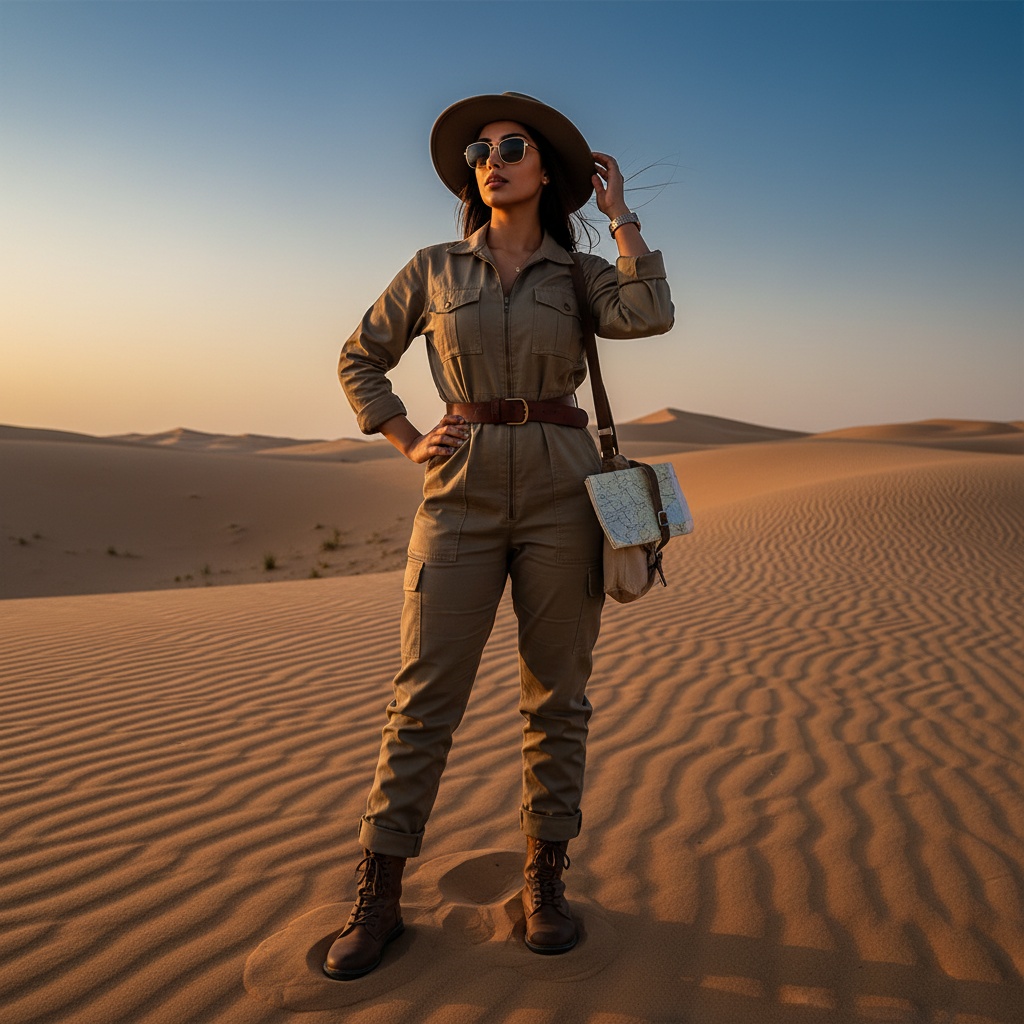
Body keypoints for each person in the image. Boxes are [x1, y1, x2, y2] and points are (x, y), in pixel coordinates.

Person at [325, 92, 673, 979]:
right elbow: (359, 355)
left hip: (565, 489)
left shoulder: (578, 276)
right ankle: (379, 894)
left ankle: (545, 880)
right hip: (458, 490)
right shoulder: (434, 267)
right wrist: (405, 437)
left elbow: (650, 314)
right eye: (480, 150)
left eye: (512, 146)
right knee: (422, 699)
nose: (493, 158)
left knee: (557, 697)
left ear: (545, 171)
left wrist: (620, 217)